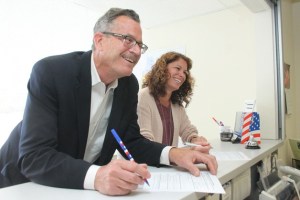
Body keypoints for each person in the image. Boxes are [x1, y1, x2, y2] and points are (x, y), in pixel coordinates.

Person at [0, 8, 217, 196]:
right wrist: (98, 175)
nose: (136, 50)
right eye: (128, 40)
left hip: (73, 187)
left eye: (140, 44)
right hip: (21, 184)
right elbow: (34, 157)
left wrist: (173, 153)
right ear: (99, 40)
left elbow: (131, 142)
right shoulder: (51, 72)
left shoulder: (128, 85)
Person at [138, 52, 211, 153]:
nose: (182, 75)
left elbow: (187, 129)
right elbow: (144, 139)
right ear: (162, 69)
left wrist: (195, 140)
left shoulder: (176, 104)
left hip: (165, 164)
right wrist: (174, 155)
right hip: (145, 164)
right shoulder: (143, 96)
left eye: (185, 72)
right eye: (177, 68)